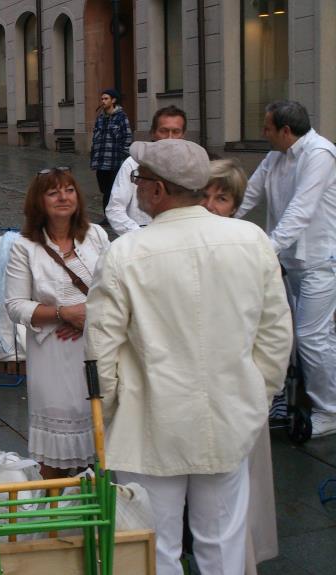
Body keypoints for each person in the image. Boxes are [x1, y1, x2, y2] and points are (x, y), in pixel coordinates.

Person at [85, 139, 292, 575]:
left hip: (149, 421)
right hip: (228, 414)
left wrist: (109, 410)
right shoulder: (251, 240)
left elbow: (100, 352)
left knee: (153, 550)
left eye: (139, 180)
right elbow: (275, 337)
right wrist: (257, 397)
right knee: (223, 545)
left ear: (158, 190)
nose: (136, 188)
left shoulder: (125, 252)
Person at [235, 100, 336, 437]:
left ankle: (329, 410)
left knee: (311, 337)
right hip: (291, 262)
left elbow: (301, 211)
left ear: (286, 131)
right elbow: (249, 193)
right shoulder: (276, 155)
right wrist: (216, 223)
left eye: (267, 128)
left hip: (321, 261)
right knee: (302, 337)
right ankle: (309, 395)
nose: (263, 133)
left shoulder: (320, 154)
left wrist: (267, 248)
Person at [199, 159, 278, 574]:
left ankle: (242, 559)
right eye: (206, 195)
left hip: (238, 379)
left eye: (222, 197)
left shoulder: (251, 242)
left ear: (236, 204)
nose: (212, 205)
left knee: (238, 482)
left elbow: (273, 324)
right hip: (198, 377)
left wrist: (261, 387)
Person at [5, 167, 109, 478]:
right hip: (52, 355)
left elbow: (115, 288)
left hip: (94, 350)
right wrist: (63, 313)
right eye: (53, 192)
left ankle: (91, 517)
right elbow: (15, 305)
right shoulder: (24, 246)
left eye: (69, 190)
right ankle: (54, 519)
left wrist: (85, 314)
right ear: (39, 201)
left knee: (97, 441)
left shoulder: (97, 237)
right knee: (55, 454)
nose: (63, 197)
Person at [105, 105, 186, 235]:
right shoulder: (133, 164)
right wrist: (140, 235)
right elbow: (115, 209)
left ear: (183, 135)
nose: (170, 138)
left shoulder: (190, 167)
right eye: (164, 131)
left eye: (176, 132)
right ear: (153, 133)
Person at [90, 88, 132, 213]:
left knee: (111, 189)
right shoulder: (100, 118)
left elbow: (128, 136)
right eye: (102, 99)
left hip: (115, 160)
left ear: (113, 100)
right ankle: (109, 214)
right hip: (101, 161)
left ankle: (110, 215)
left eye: (106, 98)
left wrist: (124, 155)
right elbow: (95, 138)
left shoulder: (121, 117)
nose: (103, 101)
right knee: (104, 189)